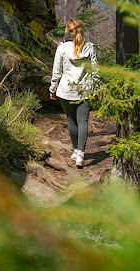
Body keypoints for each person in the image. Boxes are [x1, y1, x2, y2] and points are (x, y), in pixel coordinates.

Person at [49, 19, 97, 167]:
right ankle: (81, 155)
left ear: (67, 32)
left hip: (66, 91)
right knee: (83, 121)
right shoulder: (90, 47)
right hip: (85, 90)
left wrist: (52, 89)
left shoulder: (62, 48)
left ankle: (76, 150)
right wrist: (96, 89)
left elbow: (57, 72)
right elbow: (95, 71)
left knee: (71, 120)